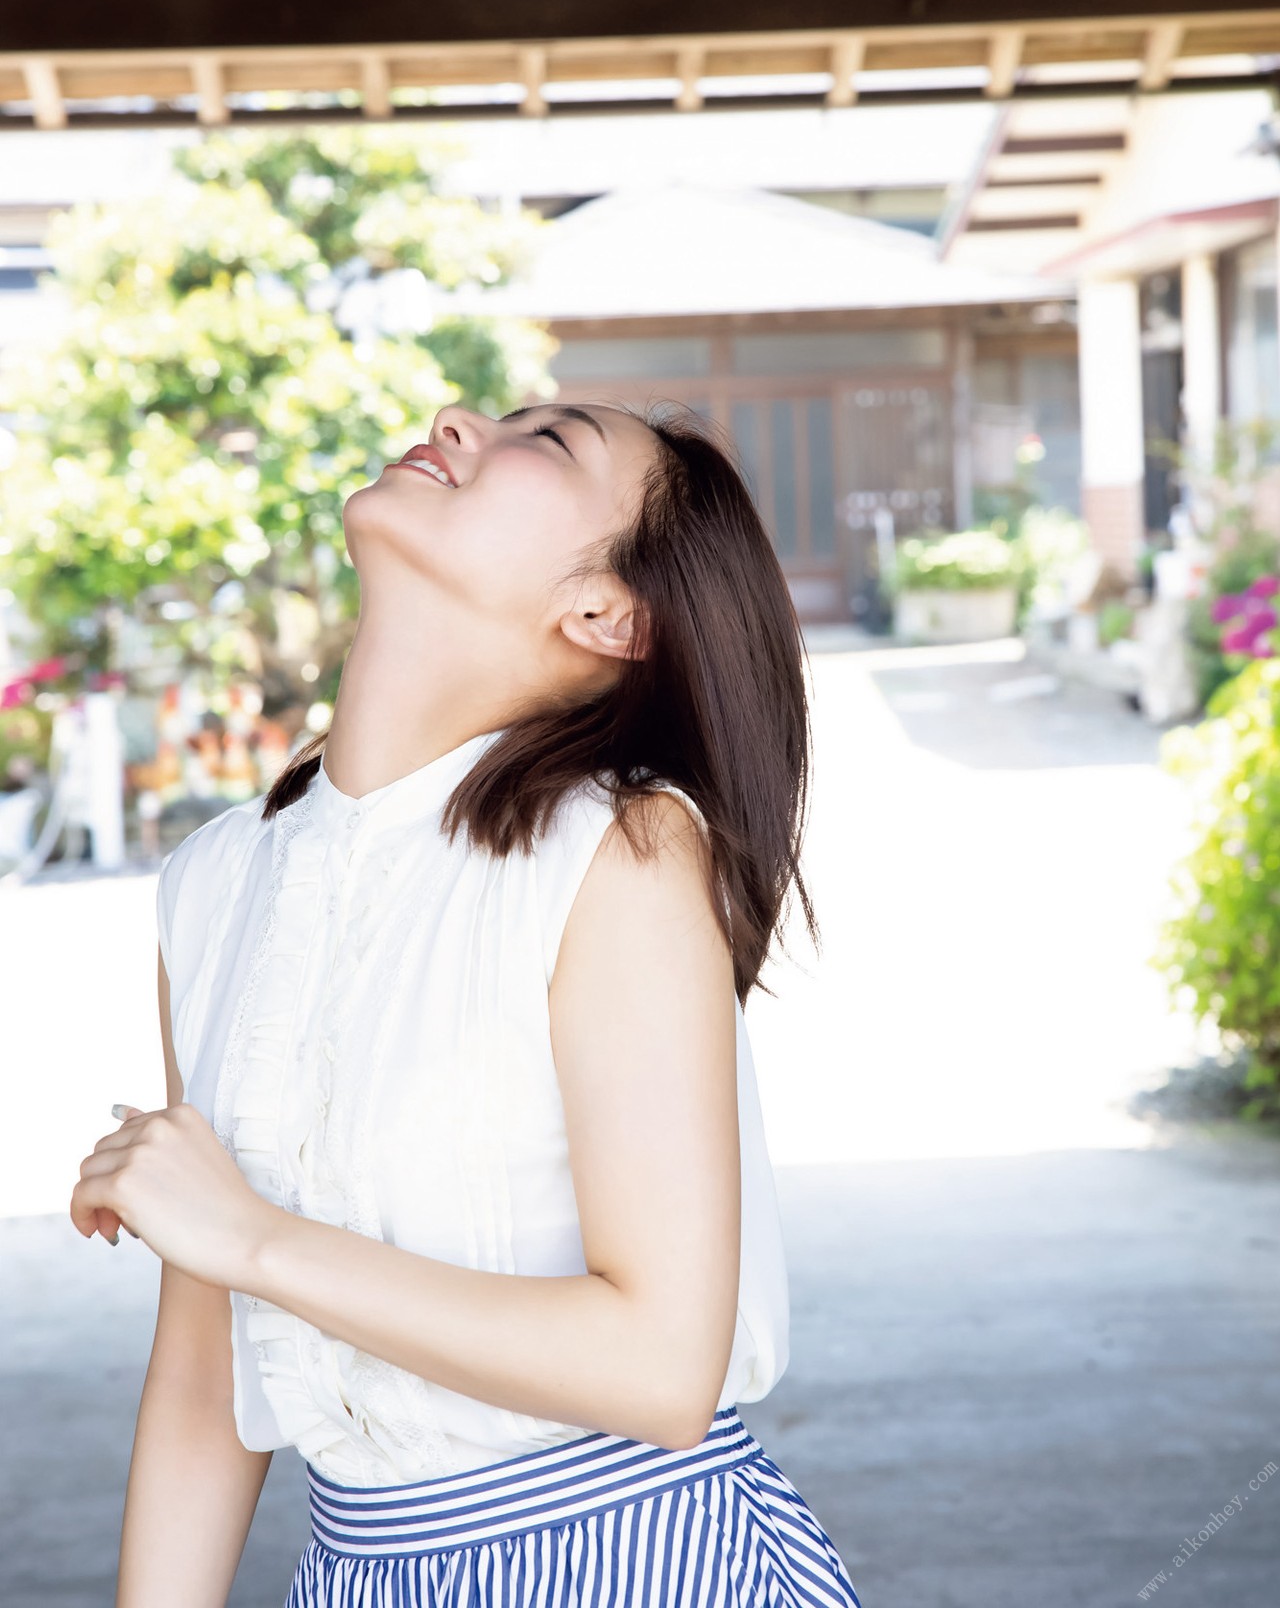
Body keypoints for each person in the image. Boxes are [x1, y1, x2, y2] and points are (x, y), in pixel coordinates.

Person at [71, 398, 863, 1608]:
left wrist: (253, 1239)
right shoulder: (213, 883)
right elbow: (200, 1374)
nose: (455, 418)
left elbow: (661, 1367)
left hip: (634, 1563)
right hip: (357, 1570)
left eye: (546, 442)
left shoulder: (622, 851)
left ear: (605, 613)